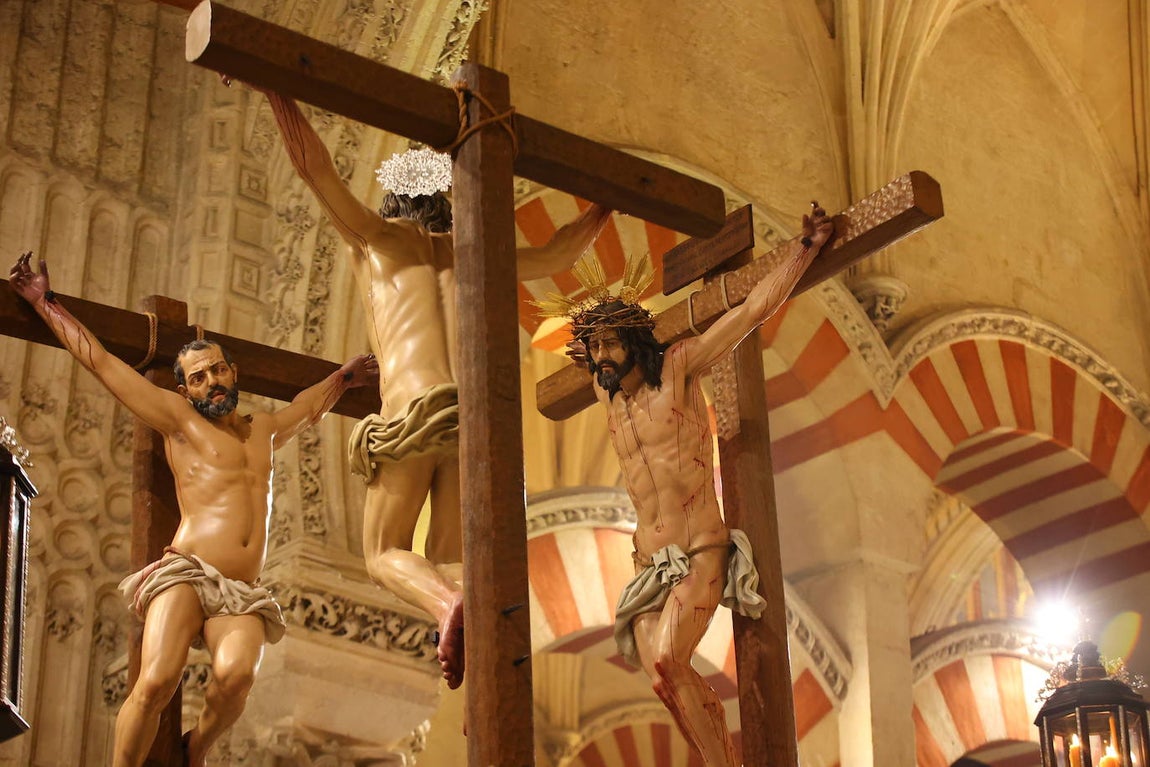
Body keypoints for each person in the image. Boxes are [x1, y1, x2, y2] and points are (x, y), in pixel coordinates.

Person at [260, 87, 613, 689]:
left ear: (395, 197)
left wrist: (277, 92)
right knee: (456, 557)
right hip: (475, 420)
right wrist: (607, 204)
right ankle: (478, 660)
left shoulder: (374, 239)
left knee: (383, 552)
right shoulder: (478, 253)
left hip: (414, 413)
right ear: (448, 203)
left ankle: (447, 606)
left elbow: (314, 168)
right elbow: (560, 254)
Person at [8, 253, 378, 767]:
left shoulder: (263, 429)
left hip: (242, 590)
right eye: (200, 377)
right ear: (186, 388)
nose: (213, 381)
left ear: (234, 371)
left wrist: (343, 378)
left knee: (236, 678)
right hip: (186, 572)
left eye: (219, 369)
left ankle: (194, 752)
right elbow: (101, 362)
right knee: (157, 679)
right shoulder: (179, 420)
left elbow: (306, 408)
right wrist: (45, 303)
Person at [558, 206, 834, 765]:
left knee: (666, 660)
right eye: (595, 347)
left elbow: (752, 311)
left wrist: (806, 249)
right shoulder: (605, 394)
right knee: (665, 678)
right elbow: (579, 364)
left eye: (611, 343)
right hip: (646, 566)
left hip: (700, 548)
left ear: (635, 341)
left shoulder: (680, 369)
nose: (601, 356)